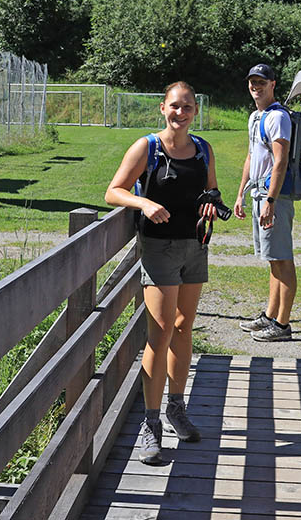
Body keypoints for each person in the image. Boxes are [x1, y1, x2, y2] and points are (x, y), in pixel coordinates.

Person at [105, 81, 220, 465]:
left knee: (185, 327)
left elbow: (212, 191)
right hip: (158, 248)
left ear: (195, 111)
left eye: (187, 107)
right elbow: (114, 191)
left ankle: (176, 408)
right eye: (174, 106)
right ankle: (150, 425)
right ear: (162, 108)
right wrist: (144, 203)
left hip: (194, 246)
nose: (180, 113)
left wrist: (213, 205)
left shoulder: (203, 149)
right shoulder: (147, 147)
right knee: (161, 331)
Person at [234, 63, 298, 342]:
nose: (255, 86)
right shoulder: (255, 117)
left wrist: (271, 199)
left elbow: (280, 161)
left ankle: (282, 324)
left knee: (283, 258)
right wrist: (240, 193)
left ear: (273, 84)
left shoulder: (278, 117)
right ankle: (270, 315)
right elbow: (251, 157)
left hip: (274, 195)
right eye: (252, 82)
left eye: (261, 82)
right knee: (272, 259)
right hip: (258, 193)